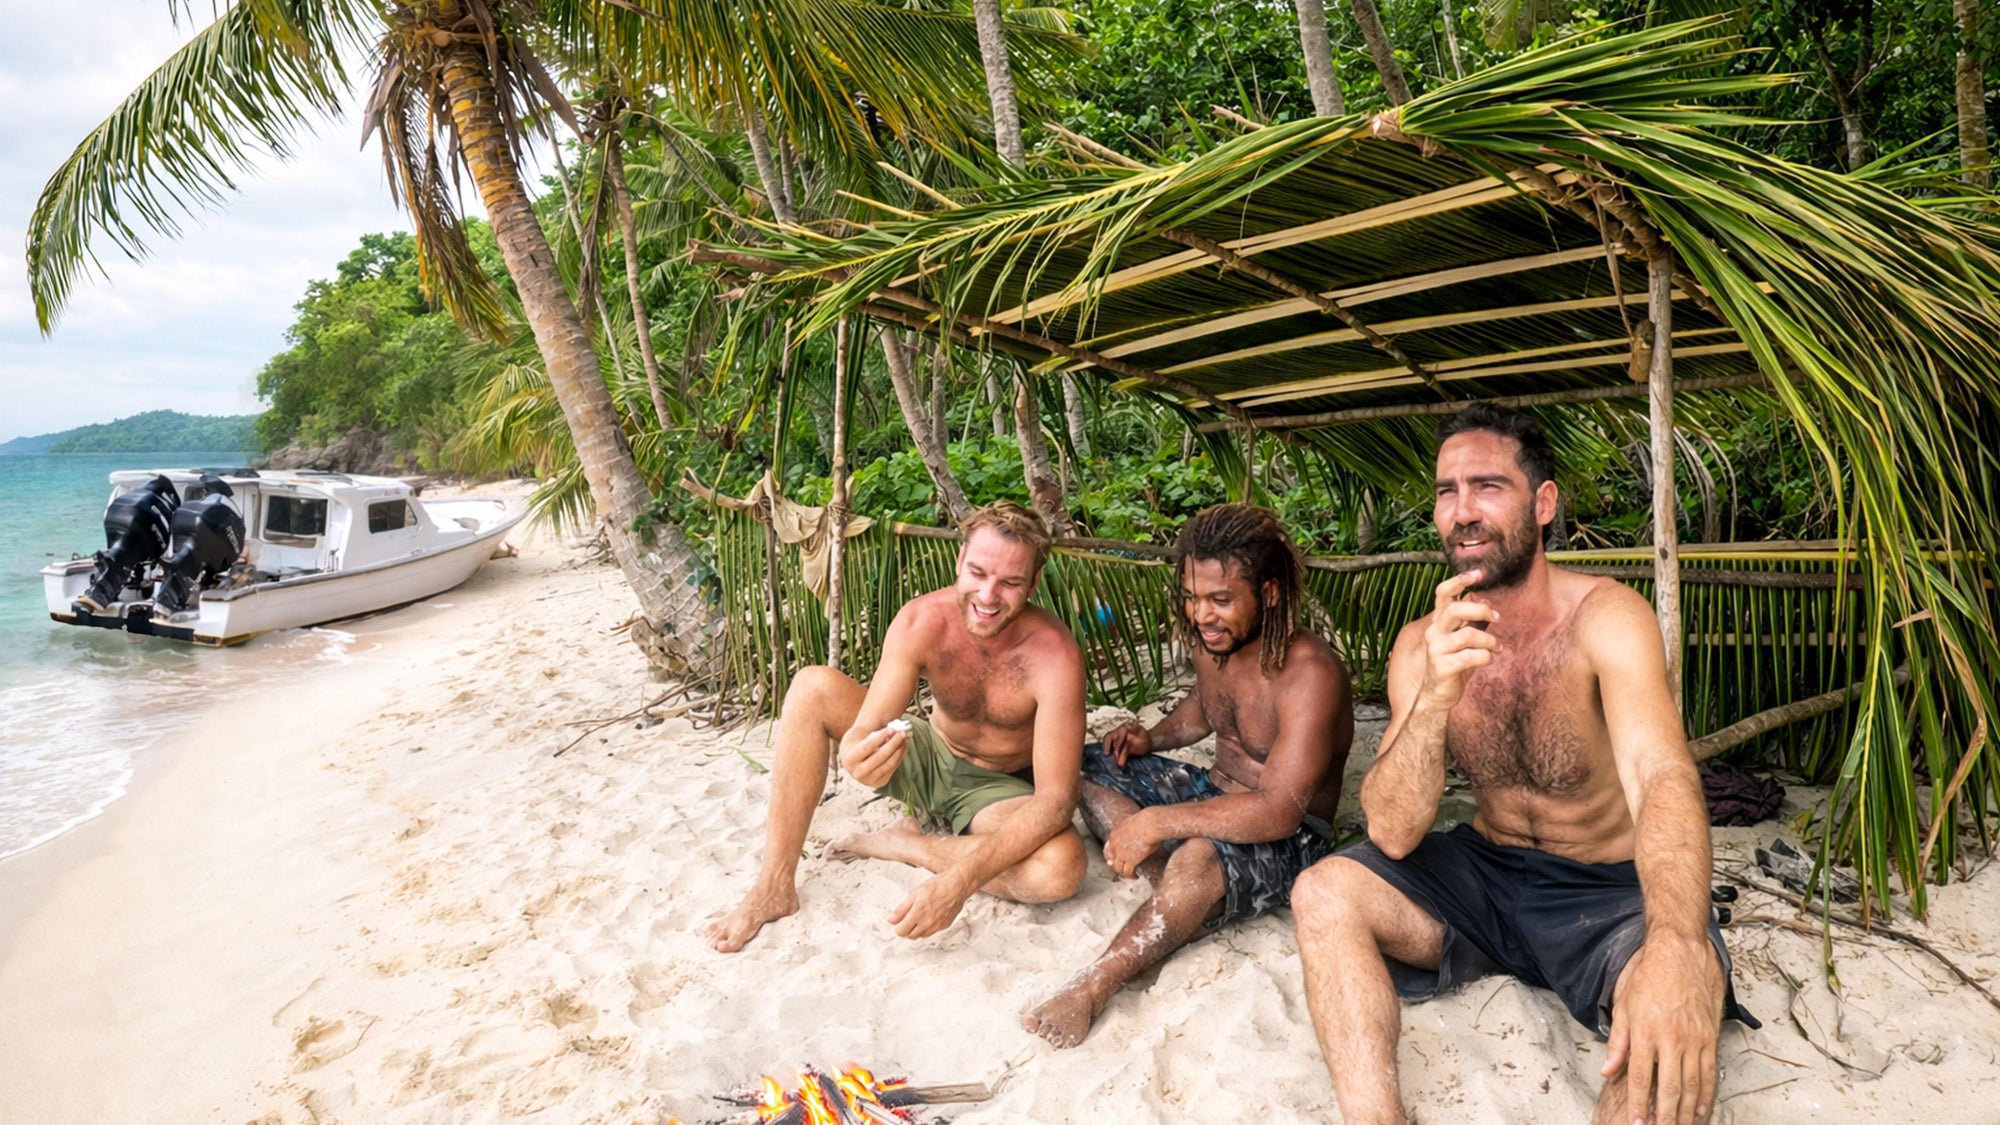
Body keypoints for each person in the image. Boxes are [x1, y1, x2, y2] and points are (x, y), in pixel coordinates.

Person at [1292, 403, 1756, 1125]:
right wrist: (1437, 696)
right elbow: (1391, 831)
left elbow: (1662, 776)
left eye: (1487, 486)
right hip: (1488, 876)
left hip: (1611, 898)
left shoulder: (1607, 617)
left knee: (1665, 1051)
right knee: (1323, 892)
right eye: (1447, 491)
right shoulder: (1422, 644)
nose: (1462, 511)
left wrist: (1674, 940)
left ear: (1543, 504)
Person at [1021, 504, 1354, 1047]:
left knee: (1198, 856)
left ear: (1269, 593)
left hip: (1290, 835)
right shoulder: (1215, 641)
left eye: (1221, 600)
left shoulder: (1308, 673)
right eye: (1193, 597)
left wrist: (1155, 821)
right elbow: (1205, 706)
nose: (1202, 614)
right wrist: (1152, 737)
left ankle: (1093, 985)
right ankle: (1173, 890)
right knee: (1082, 763)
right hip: (1211, 794)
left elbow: (1277, 810)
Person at [708, 501, 1088, 953]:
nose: (988, 597)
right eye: (978, 573)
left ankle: (912, 846)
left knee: (1061, 868)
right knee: (812, 687)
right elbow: (866, 725)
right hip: (924, 751)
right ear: (958, 561)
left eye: (1009, 583)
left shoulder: (1055, 656)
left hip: (995, 790)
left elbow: (1055, 801)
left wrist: (958, 882)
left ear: (1033, 584)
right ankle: (773, 885)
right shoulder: (920, 620)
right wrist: (854, 752)